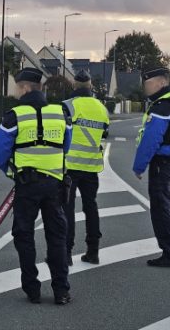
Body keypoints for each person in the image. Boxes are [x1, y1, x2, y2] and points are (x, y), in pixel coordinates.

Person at [0, 67, 73, 305]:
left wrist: (12, 172)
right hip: (55, 185)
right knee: (57, 236)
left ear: (25, 87)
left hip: (27, 185)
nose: (16, 92)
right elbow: (65, 145)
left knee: (23, 235)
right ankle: (61, 290)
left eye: (18, 87)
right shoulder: (61, 113)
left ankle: (32, 289)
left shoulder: (14, 115)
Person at [133, 67, 170, 267]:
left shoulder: (162, 106)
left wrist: (139, 166)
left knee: (160, 209)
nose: (145, 87)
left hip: (162, 162)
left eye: (147, 83)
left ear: (160, 82)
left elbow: (151, 139)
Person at [62, 70, 110, 265]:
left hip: (69, 167)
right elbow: (105, 134)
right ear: (90, 86)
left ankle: (66, 253)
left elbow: (60, 133)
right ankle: (93, 251)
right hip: (91, 167)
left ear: (74, 85)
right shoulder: (102, 108)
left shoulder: (67, 106)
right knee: (91, 207)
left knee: (67, 209)